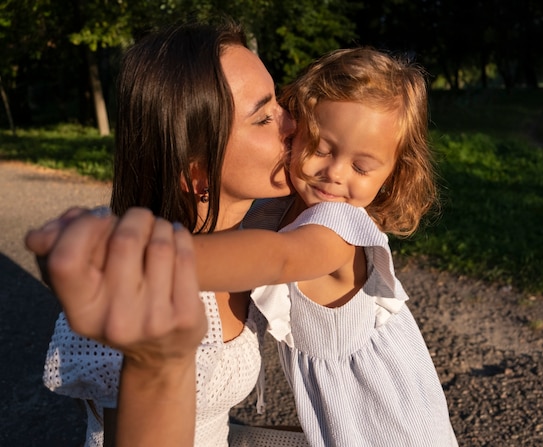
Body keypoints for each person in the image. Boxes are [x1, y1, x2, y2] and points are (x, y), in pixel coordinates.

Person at [29, 46, 458, 446]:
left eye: (362, 166)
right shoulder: (271, 211)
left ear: (392, 175)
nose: (334, 173)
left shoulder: (338, 225)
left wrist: (147, 256)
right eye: (319, 145)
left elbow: (279, 257)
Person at [31, 20, 309, 447]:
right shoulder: (142, 292)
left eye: (280, 100)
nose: (292, 122)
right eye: (263, 117)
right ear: (196, 171)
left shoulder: (257, 227)